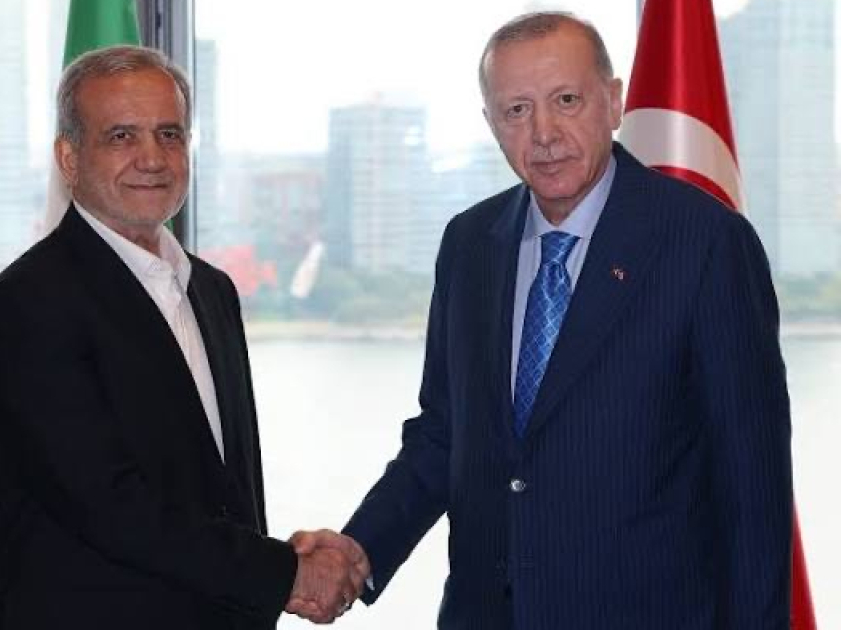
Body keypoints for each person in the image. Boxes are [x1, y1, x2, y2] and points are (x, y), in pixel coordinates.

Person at [294, 11, 793, 629]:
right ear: (491, 123)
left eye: (566, 100)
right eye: (517, 110)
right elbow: (444, 435)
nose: (545, 133)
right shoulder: (469, 244)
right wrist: (358, 550)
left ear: (613, 101)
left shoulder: (705, 243)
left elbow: (753, 486)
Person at [0, 45, 366, 630]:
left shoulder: (212, 290)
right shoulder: (30, 303)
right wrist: (284, 572)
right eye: (122, 136)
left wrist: (275, 574)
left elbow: (228, 491)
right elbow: (108, 506)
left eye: (169, 134)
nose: (152, 158)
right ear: (69, 158)